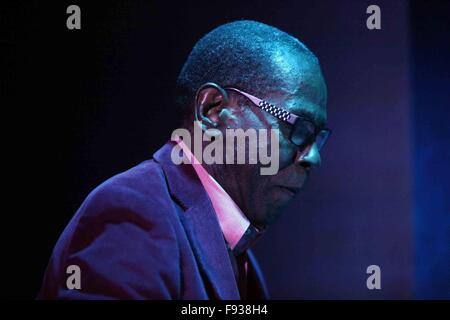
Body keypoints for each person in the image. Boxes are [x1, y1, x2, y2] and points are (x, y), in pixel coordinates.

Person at [38, 20, 329, 300]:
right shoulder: (132, 211)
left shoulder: (233, 242)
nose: (313, 156)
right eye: (297, 126)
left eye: (317, 136)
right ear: (212, 110)